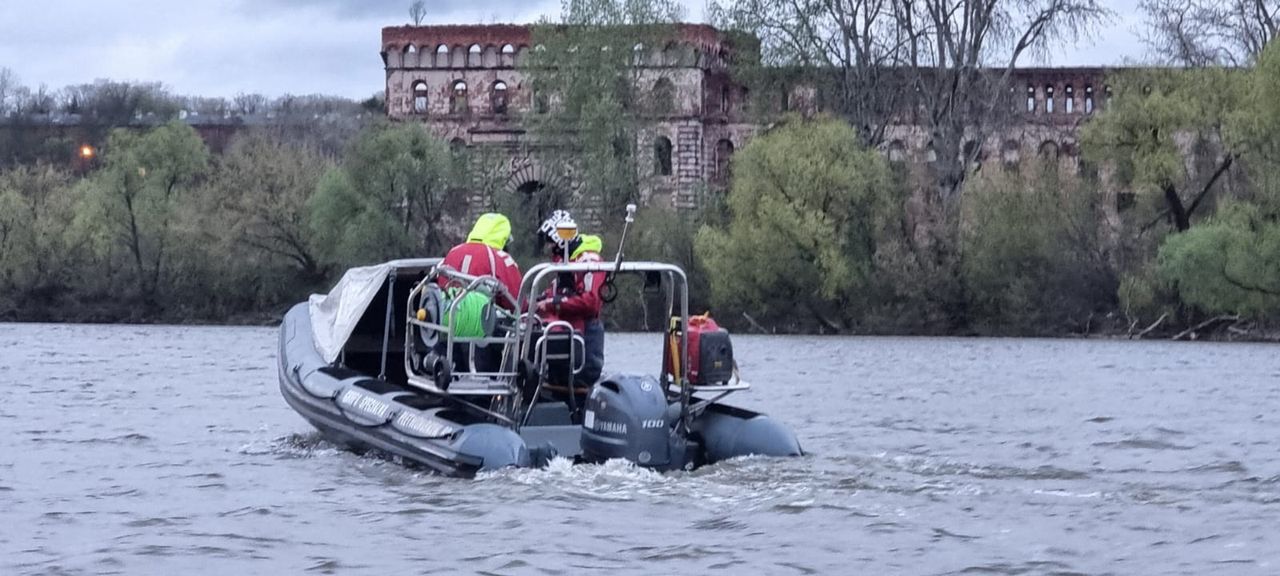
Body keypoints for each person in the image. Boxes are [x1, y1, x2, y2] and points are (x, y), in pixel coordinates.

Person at [435, 213, 522, 373]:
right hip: (481, 332)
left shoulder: (454, 251)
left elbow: (440, 286)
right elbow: (516, 301)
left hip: (448, 325)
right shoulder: (500, 258)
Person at [535, 210, 605, 390]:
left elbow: (591, 302)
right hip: (563, 336)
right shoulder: (565, 263)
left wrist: (553, 303)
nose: (548, 247)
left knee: (579, 385)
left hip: (585, 336)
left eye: (550, 241)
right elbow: (554, 292)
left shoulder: (589, 261)